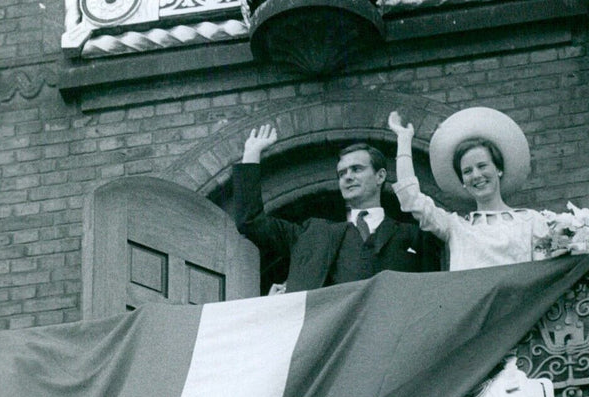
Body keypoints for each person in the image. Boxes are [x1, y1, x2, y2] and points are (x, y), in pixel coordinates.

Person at [233, 122, 441, 292]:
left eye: (356, 169)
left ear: (380, 176)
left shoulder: (414, 235)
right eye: (342, 174)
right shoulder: (312, 234)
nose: (348, 177)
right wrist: (251, 154)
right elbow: (251, 221)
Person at [388, 108, 554, 272]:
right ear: (463, 182)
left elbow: (544, 275)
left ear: (498, 169)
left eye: (482, 166)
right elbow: (410, 198)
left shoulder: (531, 221)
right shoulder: (455, 227)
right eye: (467, 171)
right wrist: (403, 139)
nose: (476, 175)